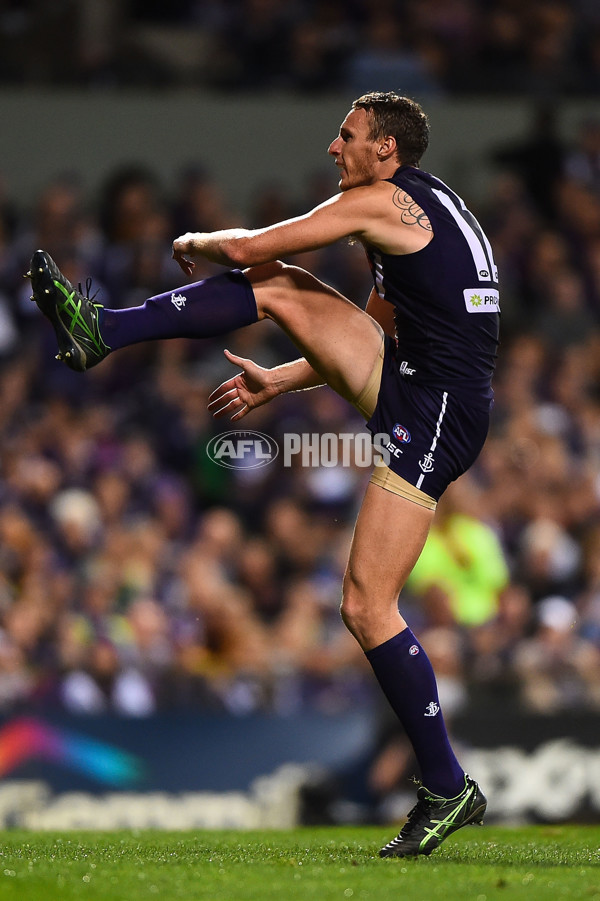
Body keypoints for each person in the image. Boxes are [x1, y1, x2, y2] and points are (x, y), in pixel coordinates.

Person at [28, 91, 497, 858]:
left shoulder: (381, 203)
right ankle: (100, 331)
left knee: (366, 605)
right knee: (281, 288)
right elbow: (374, 327)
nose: (331, 147)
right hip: (418, 377)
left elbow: (251, 248)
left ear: (385, 150)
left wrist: (200, 236)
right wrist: (280, 380)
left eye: (346, 136)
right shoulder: (427, 203)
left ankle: (448, 786)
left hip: (437, 407)